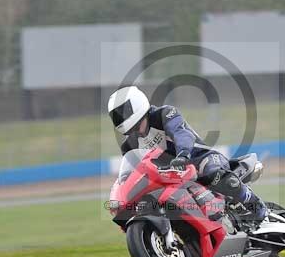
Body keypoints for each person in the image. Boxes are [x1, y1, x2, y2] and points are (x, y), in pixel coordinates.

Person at [108, 85, 266, 222]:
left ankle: (256, 205)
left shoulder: (165, 114)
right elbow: (130, 173)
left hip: (199, 159)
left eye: (137, 125)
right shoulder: (129, 146)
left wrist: (183, 154)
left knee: (215, 174)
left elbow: (182, 134)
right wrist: (122, 197)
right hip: (170, 178)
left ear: (137, 106)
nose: (136, 131)